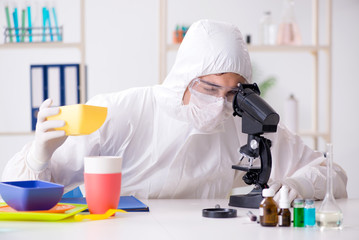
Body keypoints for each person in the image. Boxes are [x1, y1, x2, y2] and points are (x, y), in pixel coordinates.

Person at [2, 19, 347, 202]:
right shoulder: (122, 111)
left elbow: (333, 173)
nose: (219, 103)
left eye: (232, 93)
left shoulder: (240, 124)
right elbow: (16, 194)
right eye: (210, 88)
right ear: (184, 77)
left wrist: (300, 185)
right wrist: (37, 158)